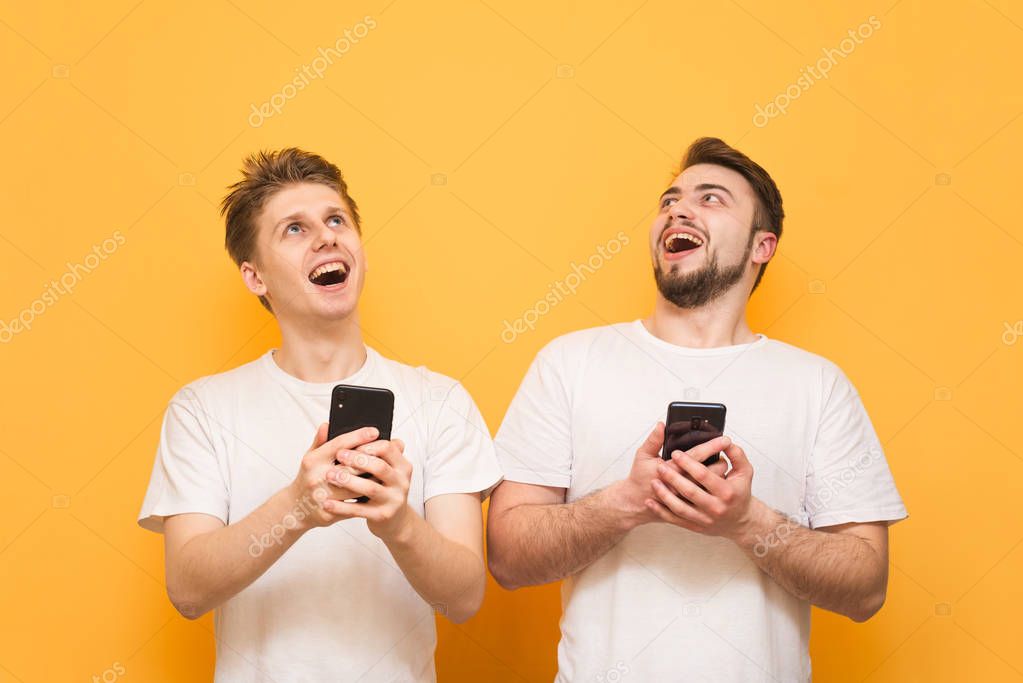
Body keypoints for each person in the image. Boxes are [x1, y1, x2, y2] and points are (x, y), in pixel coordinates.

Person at [487, 137, 907, 682]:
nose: (677, 210)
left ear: (763, 246)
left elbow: (867, 587)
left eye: (712, 199)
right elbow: (507, 558)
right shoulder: (570, 363)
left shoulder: (817, 385)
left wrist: (747, 521)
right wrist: (628, 503)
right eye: (670, 200)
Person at [137, 148, 502, 682]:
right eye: (294, 229)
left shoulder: (440, 400)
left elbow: (465, 596)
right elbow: (188, 591)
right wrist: (297, 508)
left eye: (336, 220)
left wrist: (398, 522)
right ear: (255, 277)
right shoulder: (202, 410)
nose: (327, 236)